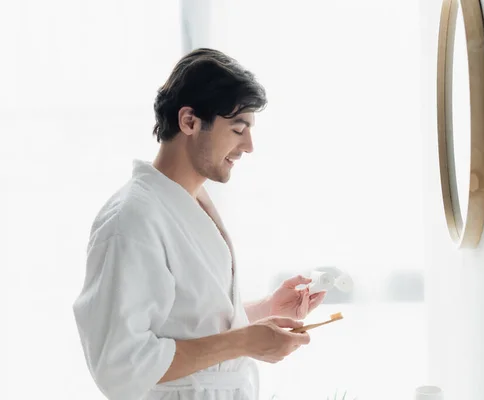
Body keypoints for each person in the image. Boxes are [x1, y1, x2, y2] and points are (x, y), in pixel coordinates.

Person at [72, 48, 326, 400]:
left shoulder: (191, 203)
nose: (249, 146)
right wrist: (245, 341)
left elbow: (190, 323)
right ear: (189, 121)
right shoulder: (130, 221)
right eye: (239, 129)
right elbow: (120, 364)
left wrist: (264, 310)